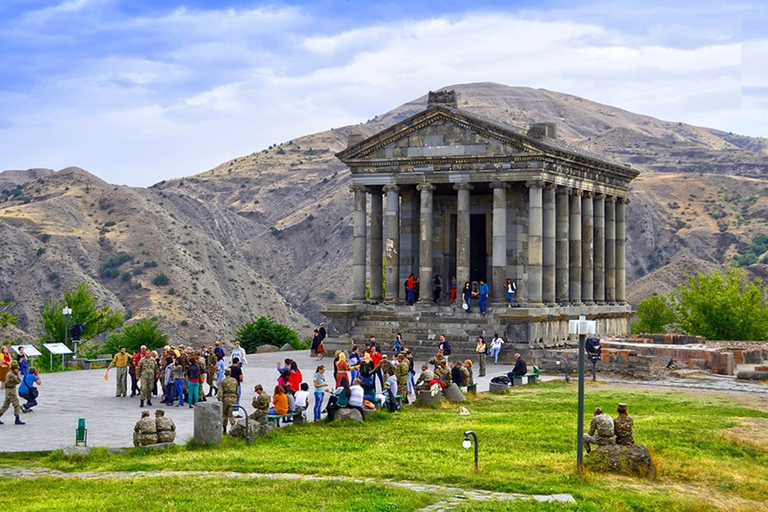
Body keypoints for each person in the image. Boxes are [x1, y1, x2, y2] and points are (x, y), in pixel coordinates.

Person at [217, 368, 239, 433]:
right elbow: (237, 391)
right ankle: (233, 426)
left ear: (225, 373)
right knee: (231, 414)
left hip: (225, 399)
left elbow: (220, 392)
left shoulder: (223, 381)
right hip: (233, 398)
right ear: (230, 373)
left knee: (224, 414)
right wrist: (236, 399)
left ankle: (224, 429)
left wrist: (220, 400)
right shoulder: (235, 381)